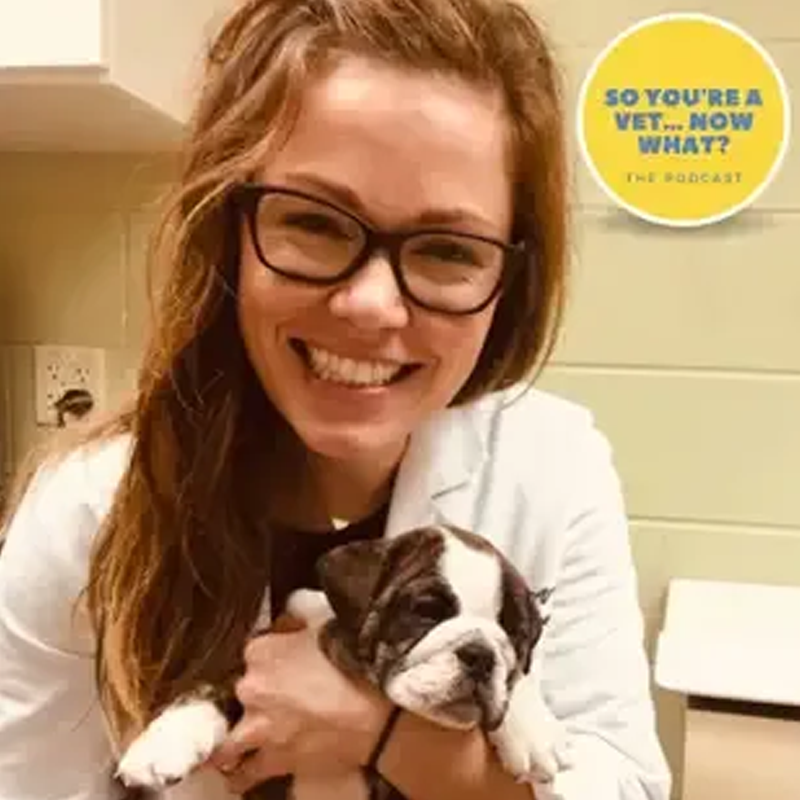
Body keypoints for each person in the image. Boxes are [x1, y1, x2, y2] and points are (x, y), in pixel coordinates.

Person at [0, 0, 672, 798]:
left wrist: (385, 736)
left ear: (510, 284)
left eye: (449, 249)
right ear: (226, 230)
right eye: (316, 224)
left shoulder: (552, 466)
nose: (371, 307)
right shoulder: (89, 507)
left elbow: (626, 783)